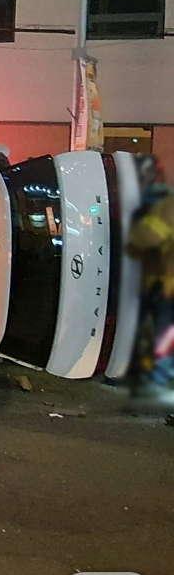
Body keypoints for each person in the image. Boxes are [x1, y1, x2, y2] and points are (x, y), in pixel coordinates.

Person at [128, 156, 174, 407]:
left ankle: (157, 385)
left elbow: (146, 238)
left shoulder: (163, 204)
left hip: (165, 285)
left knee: (162, 336)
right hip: (159, 281)